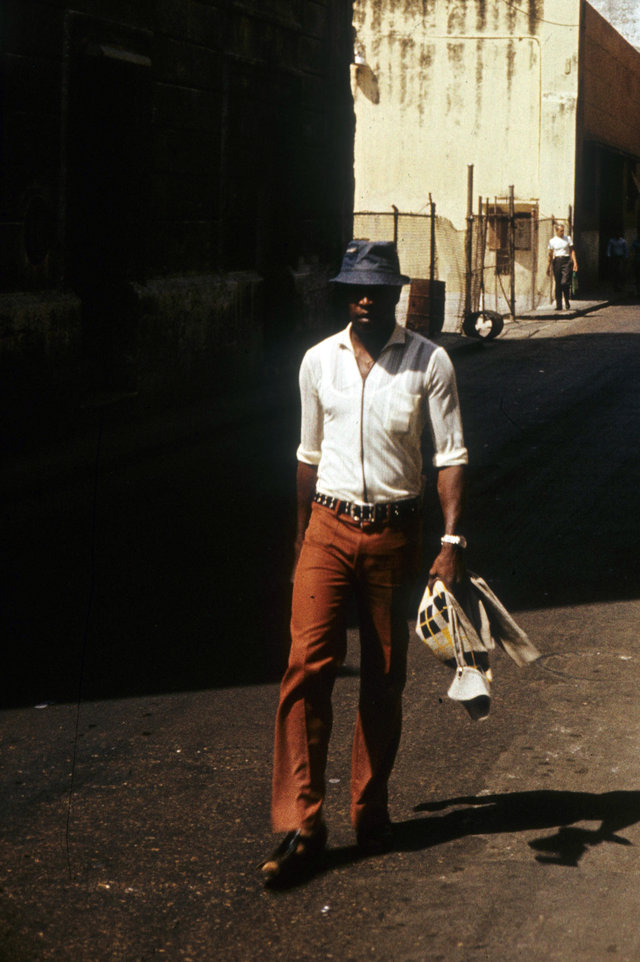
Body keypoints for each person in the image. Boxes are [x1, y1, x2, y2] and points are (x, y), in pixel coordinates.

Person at [262, 240, 469, 888]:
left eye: (377, 288)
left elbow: (451, 456)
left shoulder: (429, 363)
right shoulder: (317, 362)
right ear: (343, 291)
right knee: (306, 668)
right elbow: (306, 455)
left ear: (398, 293)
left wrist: (450, 544)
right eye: (355, 285)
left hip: (393, 536)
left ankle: (369, 809)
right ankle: (303, 824)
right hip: (327, 525)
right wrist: (301, 542)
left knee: (382, 676)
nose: (365, 297)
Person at [547, 222, 578, 311]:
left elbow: (572, 251)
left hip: (566, 261)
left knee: (564, 282)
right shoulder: (552, 241)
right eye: (561, 231)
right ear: (556, 231)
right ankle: (559, 305)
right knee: (558, 284)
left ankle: (567, 300)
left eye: (563, 230)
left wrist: (575, 263)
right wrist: (548, 267)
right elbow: (550, 254)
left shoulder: (568, 239)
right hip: (557, 261)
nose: (562, 232)